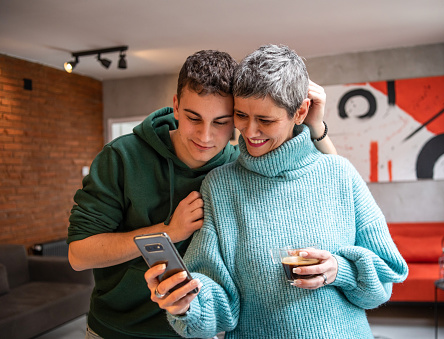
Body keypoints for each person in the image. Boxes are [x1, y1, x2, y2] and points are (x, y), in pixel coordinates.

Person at [67, 49, 336, 339]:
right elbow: (78, 255)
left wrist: (316, 125)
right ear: (176, 107)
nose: (205, 136)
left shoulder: (237, 166)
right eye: (194, 118)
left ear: (237, 118)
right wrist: (167, 232)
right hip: (116, 331)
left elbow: (332, 183)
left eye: (221, 122)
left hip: (201, 331)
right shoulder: (121, 156)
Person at [144, 45, 409, 339]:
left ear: (300, 112)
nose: (250, 131)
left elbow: (384, 284)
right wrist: (187, 303)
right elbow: (217, 303)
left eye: (266, 120)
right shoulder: (221, 187)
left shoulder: (340, 175)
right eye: (241, 115)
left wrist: (340, 270)